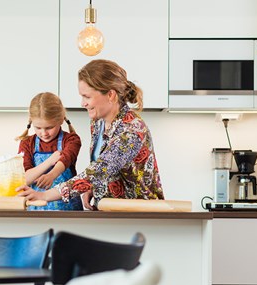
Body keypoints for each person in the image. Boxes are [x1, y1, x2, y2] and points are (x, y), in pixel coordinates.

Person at [18, 59, 164, 210]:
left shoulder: (131, 130)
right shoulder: (98, 123)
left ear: (110, 95)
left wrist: (45, 195)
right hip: (111, 212)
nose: (83, 103)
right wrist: (91, 188)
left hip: (140, 215)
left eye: (87, 97)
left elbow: (100, 170)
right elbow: (105, 171)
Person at [16, 92, 82, 210]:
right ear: (31, 121)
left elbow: (65, 159)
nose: (44, 133)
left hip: (69, 209)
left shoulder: (71, 140)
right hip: (36, 210)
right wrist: (50, 161)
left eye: (49, 127)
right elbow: (24, 179)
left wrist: (52, 175)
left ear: (61, 120)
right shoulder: (27, 143)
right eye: (38, 128)